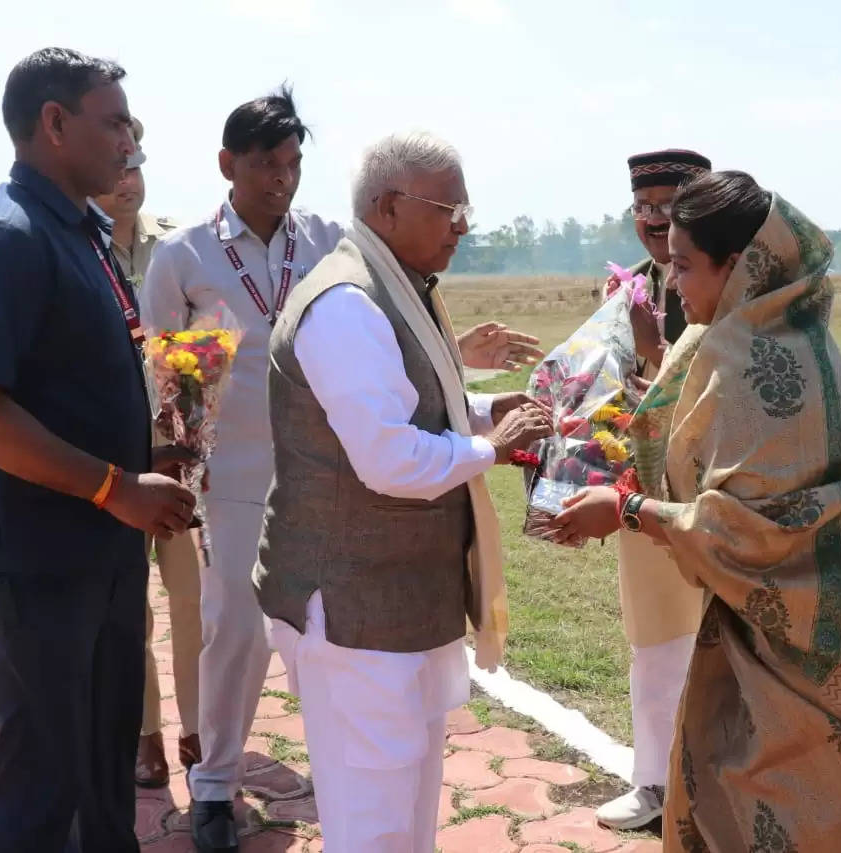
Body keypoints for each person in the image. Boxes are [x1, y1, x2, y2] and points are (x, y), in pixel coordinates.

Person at [550, 171, 841, 851]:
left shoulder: (748, 356)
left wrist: (624, 509)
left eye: (684, 264)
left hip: (827, 635)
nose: (674, 280)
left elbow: (751, 534)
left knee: (791, 807)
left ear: (737, 264)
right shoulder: (781, 328)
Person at [253, 131, 553, 852]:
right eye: (450, 209)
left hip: (400, 601)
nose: (464, 226)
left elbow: (409, 405)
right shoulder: (348, 302)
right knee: (372, 816)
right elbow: (388, 457)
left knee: (408, 808)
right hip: (353, 612)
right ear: (388, 207)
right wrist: (491, 446)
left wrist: (486, 412)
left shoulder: (397, 285)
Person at [0, 47, 196, 852]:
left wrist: (152, 451)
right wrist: (116, 485)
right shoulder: (5, 237)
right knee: (42, 786)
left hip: (98, 554)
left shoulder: (82, 235)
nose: (130, 139)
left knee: (99, 772)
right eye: (113, 120)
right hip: (36, 562)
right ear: (54, 123)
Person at [141, 85, 343, 852]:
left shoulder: (327, 239)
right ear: (228, 163)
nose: (281, 178)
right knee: (234, 630)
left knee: (328, 626)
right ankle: (217, 783)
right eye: (265, 163)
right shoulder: (185, 254)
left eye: (292, 163)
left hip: (327, 469)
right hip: (233, 476)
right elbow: (166, 381)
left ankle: (341, 766)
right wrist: (180, 478)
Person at [595, 149, 711, 830]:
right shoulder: (628, 287)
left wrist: (652, 354)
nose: (657, 224)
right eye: (645, 210)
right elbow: (604, 394)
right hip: (645, 495)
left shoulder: (739, 285)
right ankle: (652, 783)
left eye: (672, 210)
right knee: (656, 642)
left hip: (720, 495)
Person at [90, 118, 203, 785]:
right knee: (129, 608)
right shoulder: (78, 248)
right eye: (118, 165)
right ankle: (145, 733)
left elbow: (203, 348)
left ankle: (196, 726)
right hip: (116, 464)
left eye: (137, 166)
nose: (128, 180)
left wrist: (189, 438)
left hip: (179, 458)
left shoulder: (179, 247)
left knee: (193, 600)